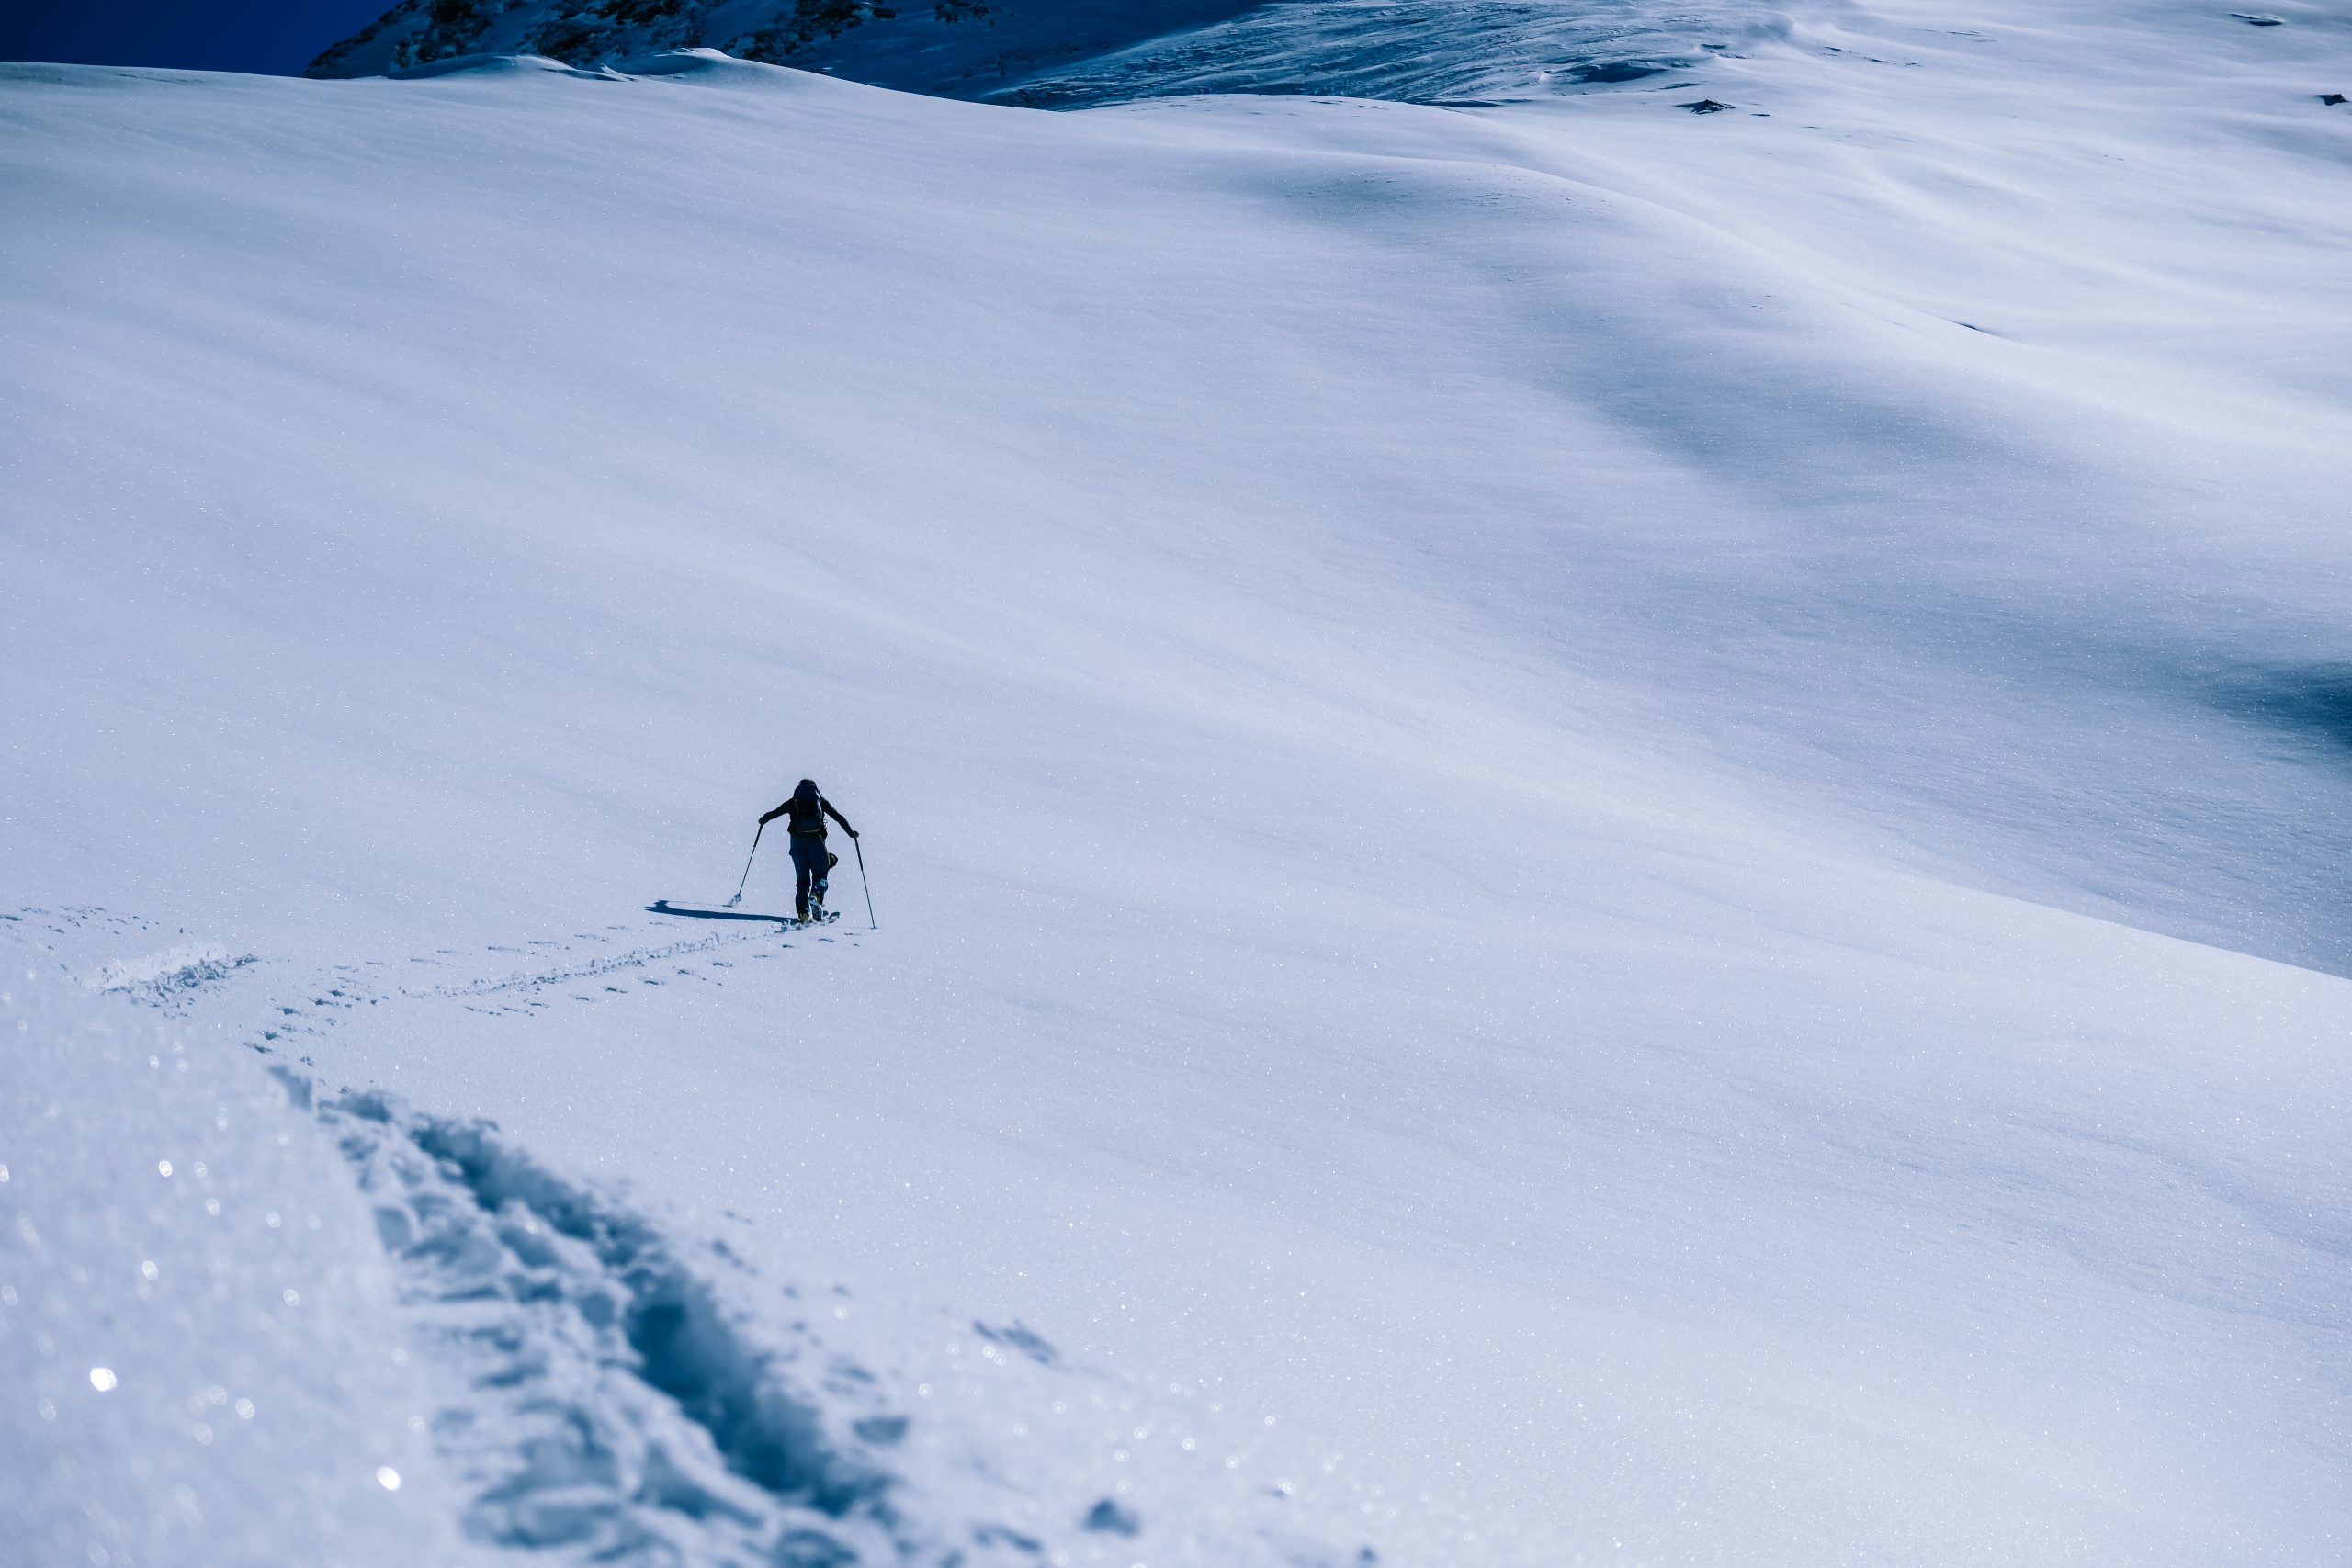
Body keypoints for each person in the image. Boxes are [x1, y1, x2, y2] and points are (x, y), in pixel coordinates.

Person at [760, 779, 857, 920]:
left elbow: (771, 814)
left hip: (796, 843)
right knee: (821, 873)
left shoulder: (793, 802)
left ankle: (803, 913)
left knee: (802, 880)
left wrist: (763, 820)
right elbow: (838, 817)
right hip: (816, 841)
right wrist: (851, 833)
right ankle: (816, 895)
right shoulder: (820, 801)